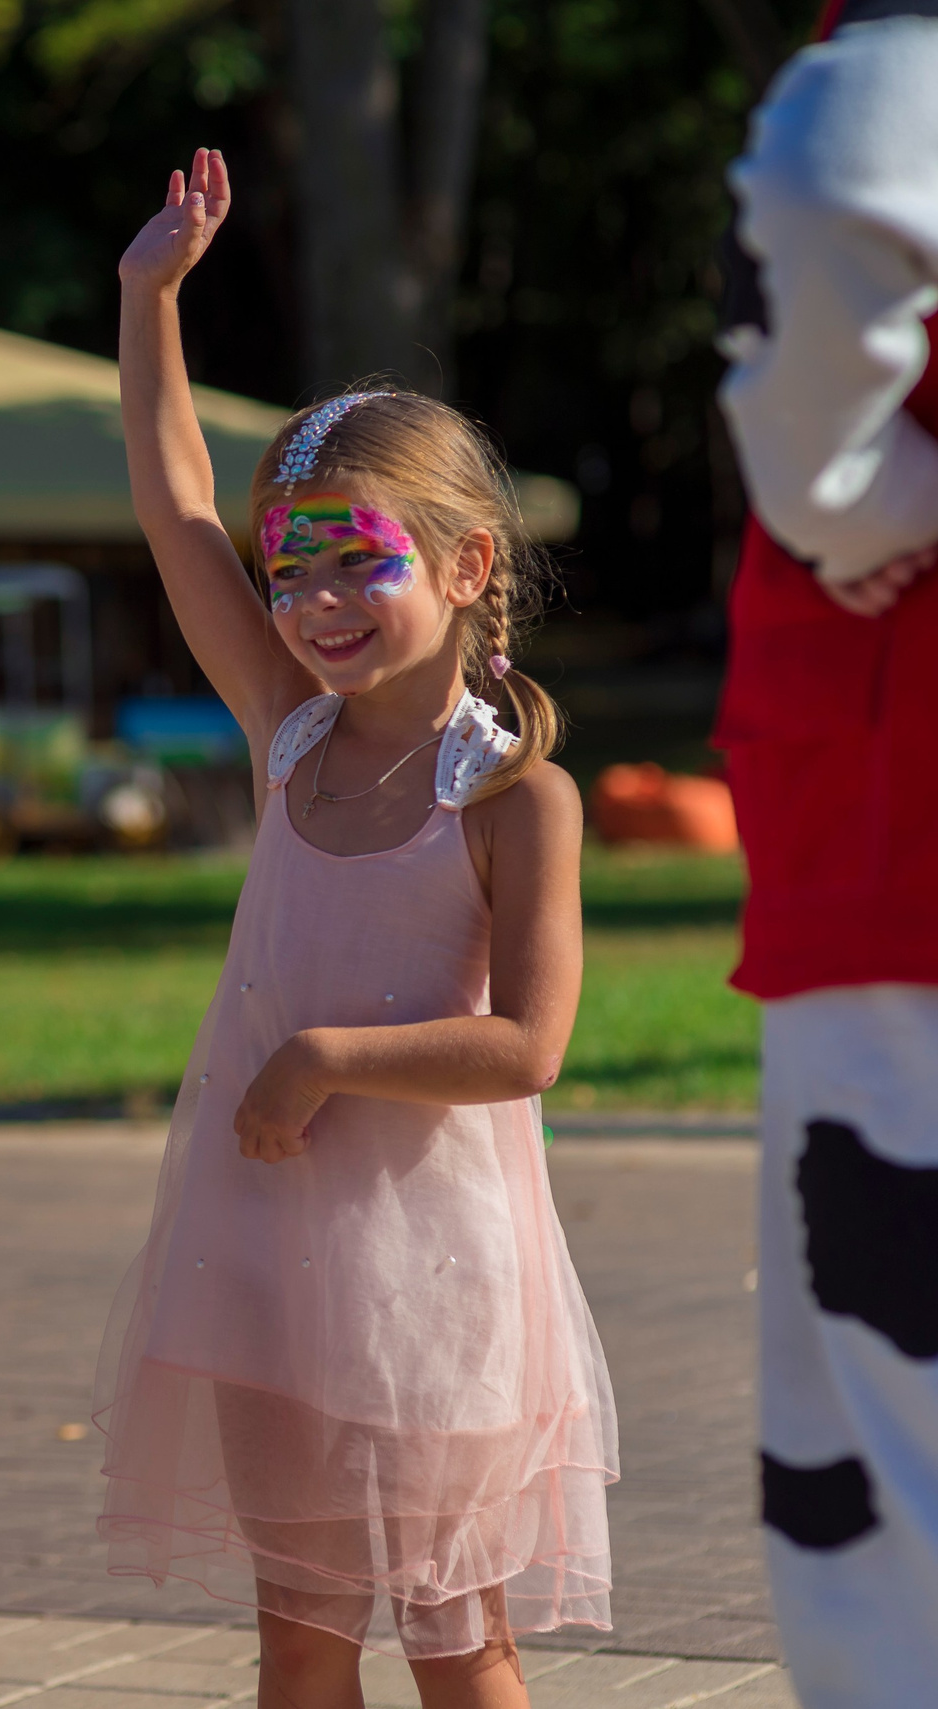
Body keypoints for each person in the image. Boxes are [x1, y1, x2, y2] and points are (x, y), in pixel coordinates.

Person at [88, 150, 617, 1709]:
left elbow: (531, 1045)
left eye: (356, 561)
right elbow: (175, 499)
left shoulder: (515, 796)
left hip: (436, 1268)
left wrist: (322, 1053)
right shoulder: (289, 735)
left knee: (462, 1639)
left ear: (463, 569)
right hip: (260, 1246)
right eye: (291, 566)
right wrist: (147, 300)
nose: (312, 600)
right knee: (301, 1630)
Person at [714, 3, 938, 1701]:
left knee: (885, 1488)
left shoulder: (895, 52)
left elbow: (845, 168)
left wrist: (858, 486)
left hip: (899, 839)